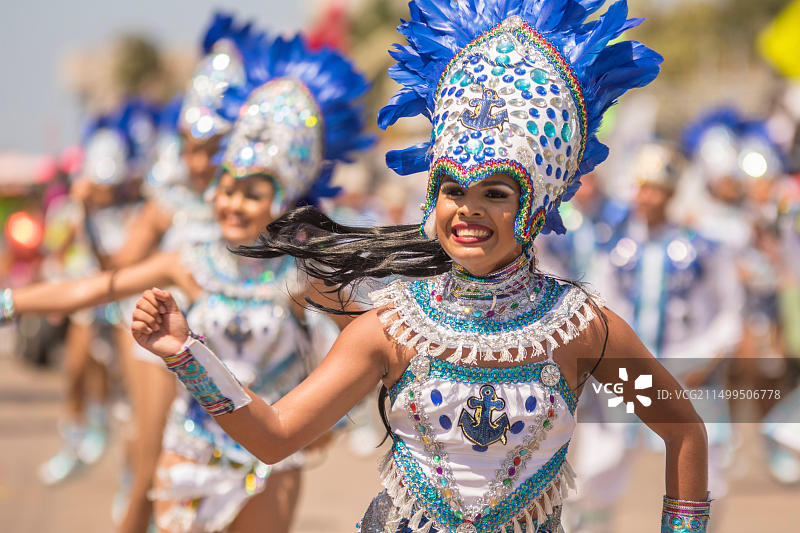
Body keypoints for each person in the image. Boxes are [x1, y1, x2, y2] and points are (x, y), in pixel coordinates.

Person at [131, 1, 712, 532]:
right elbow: (275, 436)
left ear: (533, 208)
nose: (469, 210)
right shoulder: (390, 330)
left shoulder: (583, 330)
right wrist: (187, 353)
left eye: (496, 193)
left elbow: (682, 429)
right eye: (454, 190)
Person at [1, 30, 372, 533]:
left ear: (282, 202)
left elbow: (369, 339)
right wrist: (8, 302)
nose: (232, 204)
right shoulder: (190, 261)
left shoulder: (299, 274)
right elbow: (93, 288)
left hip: (271, 462)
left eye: (253, 193)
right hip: (191, 446)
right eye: (227, 189)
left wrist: (324, 416)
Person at [37, 99, 158, 486]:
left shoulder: (140, 212)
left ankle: (132, 471)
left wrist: (90, 215)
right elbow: (56, 245)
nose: (104, 192)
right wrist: (76, 215)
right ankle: (77, 437)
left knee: (131, 397)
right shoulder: (77, 208)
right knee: (75, 370)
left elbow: (115, 266)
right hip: (89, 301)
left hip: (124, 304)